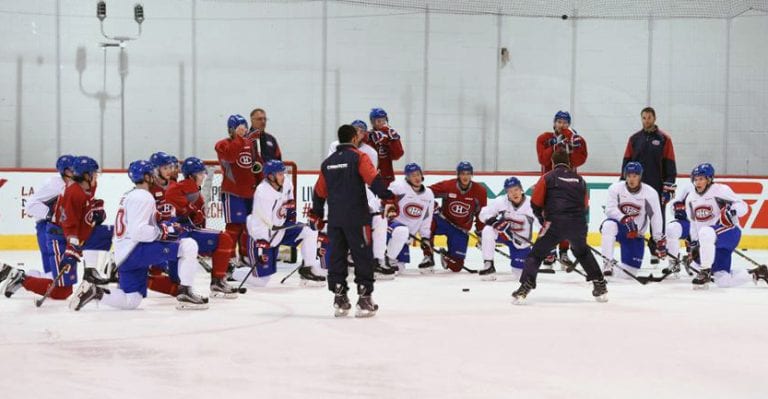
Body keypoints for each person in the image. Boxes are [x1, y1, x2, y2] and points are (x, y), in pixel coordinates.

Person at [69, 160, 208, 311]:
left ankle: (95, 292)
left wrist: (159, 221)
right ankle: (186, 293)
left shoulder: (130, 195)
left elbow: (135, 225)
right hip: (135, 251)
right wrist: (162, 231)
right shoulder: (144, 196)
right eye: (152, 174)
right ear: (146, 176)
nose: (155, 177)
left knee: (132, 300)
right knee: (189, 245)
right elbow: (139, 232)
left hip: (123, 255)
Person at [311, 124, 397, 318]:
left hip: (335, 219)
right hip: (357, 218)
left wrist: (316, 214)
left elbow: (318, 192)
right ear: (354, 138)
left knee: (338, 257)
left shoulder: (328, 163)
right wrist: (388, 197)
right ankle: (365, 298)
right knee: (362, 256)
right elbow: (373, 180)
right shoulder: (359, 157)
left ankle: (340, 297)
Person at [3, 156, 113, 299]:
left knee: (110, 235)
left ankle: (91, 272)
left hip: (68, 231)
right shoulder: (66, 189)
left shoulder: (86, 185)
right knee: (58, 283)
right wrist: (70, 246)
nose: (96, 177)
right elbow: (67, 222)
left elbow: (86, 205)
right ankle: (21, 278)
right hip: (57, 233)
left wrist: (96, 208)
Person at [511, 151, 607, 304]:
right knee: (582, 252)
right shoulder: (580, 180)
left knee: (536, 255)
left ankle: (526, 286)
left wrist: (543, 220)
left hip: (554, 222)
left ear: (553, 163)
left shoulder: (547, 177)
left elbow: (535, 202)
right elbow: (585, 205)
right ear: (569, 163)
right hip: (578, 223)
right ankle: (600, 284)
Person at [238, 160, 326, 287]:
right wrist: (262, 240)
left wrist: (291, 220)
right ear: (270, 176)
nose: (283, 177)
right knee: (261, 281)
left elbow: (290, 204)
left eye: (283, 173)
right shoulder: (262, 192)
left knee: (309, 231)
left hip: (280, 230)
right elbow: (259, 221)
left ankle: (307, 269)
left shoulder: (286, 184)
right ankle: (233, 272)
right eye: (279, 174)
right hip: (262, 236)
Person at [685, 163, 767, 288]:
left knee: (706, 232)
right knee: (722, 280)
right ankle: (756, 273)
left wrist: (732, 211)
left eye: (701, 179)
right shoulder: (691, 198)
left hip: (729, 232)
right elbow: (694, 223)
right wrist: (695, 244)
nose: (698, 182)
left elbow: (743, 206)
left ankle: (705, 271)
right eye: (695, 179)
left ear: (709, 179)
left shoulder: (720, 190)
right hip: (710, 239)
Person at [165, 157, 238, 297]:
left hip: (182, 235)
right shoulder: (181, 188)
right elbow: (184, 213)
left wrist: (194, 213)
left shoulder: (187, 189)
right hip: (181, 235)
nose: (203, 176)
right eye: (200, 173)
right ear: (192, 175)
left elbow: (195, 217)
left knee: (175, 282)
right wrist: (192, 211)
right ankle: (217, 281)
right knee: (224, 239)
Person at [326, 120, 388, 276]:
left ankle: (377, 259)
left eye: (361, 130)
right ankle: (343, 257)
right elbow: (332, 170)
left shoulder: (370, 152)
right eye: (355, 130)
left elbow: (369, 178)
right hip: (339, 191)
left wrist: (370, 202)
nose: (358, 133)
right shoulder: (335, 145)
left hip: (361, 191)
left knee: (380, 219)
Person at [622, 107, 677, 266]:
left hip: (656, 186)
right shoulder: (634, 139)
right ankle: (634, 248)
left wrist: (668, 186)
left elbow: (670, 163)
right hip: (635, 186)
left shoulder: (664, 139)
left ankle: (655, 249)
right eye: (644, 118)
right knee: (636, 215)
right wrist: (623, 181)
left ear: (654, 118)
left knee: (657, 218)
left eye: (649, 117)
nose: (646, 120)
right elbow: (626, 161)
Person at [535, 111, 587, 269]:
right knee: (548, 218)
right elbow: (543, 159)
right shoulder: (543, 138)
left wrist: (577, 145)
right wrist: (555, 145)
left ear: (569, 124)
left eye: (565, 122)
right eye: (559, 121)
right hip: (549, 184)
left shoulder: (574, 139)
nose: (562, 125)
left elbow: (580, 159)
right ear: (554, 123)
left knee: (568, 218)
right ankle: (549, 253)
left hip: (568, 185)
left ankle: (564, 252)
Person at [600, 162, 666, 277]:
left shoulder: (650, 193)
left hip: (635, 234)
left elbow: (656, 217)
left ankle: (619, 267)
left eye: (635, 176)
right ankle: (607, 262)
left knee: (629, 274)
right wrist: (625, 219)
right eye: (629, 176)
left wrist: (658, 239)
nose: (631, 179)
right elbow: (609, 209)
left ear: (640, 176)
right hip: (620, 228)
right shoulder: (615, 188)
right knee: (608, 225)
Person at [215, 115, 258, 266]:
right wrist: (239, 138)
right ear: (231, 129)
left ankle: (245, 256)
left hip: (250, 193)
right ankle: (229, 258)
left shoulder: (249, 143)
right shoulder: (221, 144)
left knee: (249, 225)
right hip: (232, 192)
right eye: (240, 127)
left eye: (245, 126)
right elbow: (231, 157)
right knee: (234, 226)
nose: (244, 129)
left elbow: (254, 164)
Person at [428, 161, 487, 273]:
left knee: (456, 267)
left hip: (460, 230)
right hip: (444, 222)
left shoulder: (480, 191)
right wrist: (432, 204)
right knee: (429, 223)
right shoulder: (448, 186)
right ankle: (428, 256)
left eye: (468, 173)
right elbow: (426, 192)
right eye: (462, 173)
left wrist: (481, 234)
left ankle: (446, 256)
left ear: (472, 174)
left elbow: (481, 214)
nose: (465, 176)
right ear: (458, 174)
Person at [477, 177, 537, 281]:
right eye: (510, 191)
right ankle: (488, 264)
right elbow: (483, 213)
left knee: (520, 275)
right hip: (504, 235)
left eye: (516, 189)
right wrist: (492, 220)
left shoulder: (531, 204)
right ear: (507, 193)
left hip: (521, 241)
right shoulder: (501, 201)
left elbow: (542, 225)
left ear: (521, 189)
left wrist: (549, 248)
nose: (514, 193)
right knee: (488, 230)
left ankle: (520, 263)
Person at [383, 163, 435, 275]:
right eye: (412, 175)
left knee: (400, 269)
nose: (416, 178)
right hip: (391, 228)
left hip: (406, 237)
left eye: (418, 174)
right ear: (407, 177)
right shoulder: (398, 187)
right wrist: (389, 208)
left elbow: (427, 217)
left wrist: (425, 237)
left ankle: (389, 257)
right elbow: (385, 200)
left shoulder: (428, 194)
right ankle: (387, 259)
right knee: (402, 231)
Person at [367, 108, 404, 186]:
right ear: (372, 122)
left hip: (386, 176)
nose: (381, 123)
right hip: (370, 175)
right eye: (378, 121)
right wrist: (373, 142)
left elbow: (397, 155)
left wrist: (391, 141)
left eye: (383, 120)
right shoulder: (368, 135)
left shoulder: (390, 134)